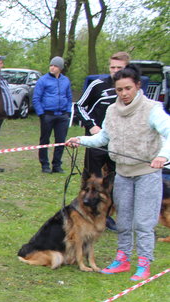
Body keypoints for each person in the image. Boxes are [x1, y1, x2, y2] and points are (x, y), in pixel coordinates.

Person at [67, 65, 170, 281]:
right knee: (123, 220)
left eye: (128, 88)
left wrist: (163, 156)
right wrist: (80, 140)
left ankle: (144, 264)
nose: (124, 93)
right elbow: (103, 137)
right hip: (122, 173)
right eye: (120, 89)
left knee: (143, 222)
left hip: (146, 173)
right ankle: (122, 260)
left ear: (138, 86)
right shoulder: (112, 111)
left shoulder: (152, 109)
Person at [73, 51, 130, 176]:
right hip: (96, 138)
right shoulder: (98, 85)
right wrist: (91, 126)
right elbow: (79, 106)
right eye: (112, 67)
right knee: (92, 179)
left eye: (119, 67)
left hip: (118, 142)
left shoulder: (131, 89)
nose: (115, 70)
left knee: (116, 179)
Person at [32, 56, 73, 173]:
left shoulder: (65, 80)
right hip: (47, 115)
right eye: (51, 65)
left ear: (60, 68)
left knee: (61, 140)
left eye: (55, 66)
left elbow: (69, 97)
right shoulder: (43, 80)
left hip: (62, 115)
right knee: (44, 140)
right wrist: (41, 114)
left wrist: (68, 112)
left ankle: (57, 164)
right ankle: (44, 165)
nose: (52, 68)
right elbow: (36, 98)